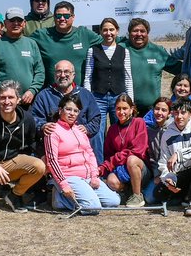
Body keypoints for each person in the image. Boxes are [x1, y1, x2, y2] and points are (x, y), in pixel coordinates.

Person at [0, 80, 46, 214]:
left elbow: (33, 142)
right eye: (3, 97)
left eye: (11, 97)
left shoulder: (27, 118)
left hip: (12, 162)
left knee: (40, 166)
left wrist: (43, 156)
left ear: (18, 99)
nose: (7, 102)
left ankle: (15, 195)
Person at [44, 91, 120, 214]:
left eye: (75, 111)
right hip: (69, 176)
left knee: (114, 201)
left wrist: (95, 176)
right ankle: (59, 199)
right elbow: (52, 160)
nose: (72, 113)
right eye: (68, 109)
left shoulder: (80, 130)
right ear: (60, 110)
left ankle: (84, 196)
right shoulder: (53, 131)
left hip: (88, 177)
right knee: (93, 207)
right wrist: (64, 185)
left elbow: (90, 154)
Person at [83, 17, 132, 163]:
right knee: (97, 132)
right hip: (98, 97)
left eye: (111, 29)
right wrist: (88, 100)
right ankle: (98, 165)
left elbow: (129, 78)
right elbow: (88, 77)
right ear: (100, 32)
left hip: (119, 97)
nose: (108, 33)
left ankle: (120, 163)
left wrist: (131, 102)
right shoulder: (93, 51)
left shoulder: (124, 52)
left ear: (117, 31)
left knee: (121, 132)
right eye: (105, 30)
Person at [31, 60, 103, 151]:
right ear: (54, 75)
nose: (62, 75)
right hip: (54, 147)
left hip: (81, 147)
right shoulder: (44, 96)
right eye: (59, 71)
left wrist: (87, 128)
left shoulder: (85, 94)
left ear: (73, 75)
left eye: (66, 72)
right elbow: (34, 118)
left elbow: (96, 118)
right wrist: (42, 126)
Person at [155, 98, 191, 216]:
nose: (179, 116)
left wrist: (178, 154)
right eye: (176, 113)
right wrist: (168, 179)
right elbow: (163, 161)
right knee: (157, 194)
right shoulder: (167, 133)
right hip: (180, 174)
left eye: (183, 113)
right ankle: (185, 195)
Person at [0, 7, 44, 107]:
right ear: (5, 23)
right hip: (2, 101)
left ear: (24, 23)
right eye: (12, 20)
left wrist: (32, 90)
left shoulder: (31, 44)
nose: (16, 23)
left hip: (26, 101)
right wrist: (3, 92)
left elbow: (40, 72)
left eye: (19, 20)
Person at [32, 1, 102, 89]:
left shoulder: (84, 34)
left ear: (73, 17)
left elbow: (110, 42)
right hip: (52, 94)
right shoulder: (42, 35)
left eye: (66, 16)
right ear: (54, 17)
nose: (62, 18)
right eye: (58, 16)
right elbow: (23, 43)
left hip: (79, 93)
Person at [99, 93, 150, 208]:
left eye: (125, 108)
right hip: (121, 169)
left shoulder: (139, 122)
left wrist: (116, 158)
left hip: (141, 168)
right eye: (118, 109)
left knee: (131, 160)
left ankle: (137, 195)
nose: (121, 112)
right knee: (111, 180)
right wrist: (103, 168)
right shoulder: (112, 129)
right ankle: (128, 192)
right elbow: (108, 155)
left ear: (132, 109)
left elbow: (138, 150)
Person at [125, 17, 174, 114]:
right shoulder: (121, 49)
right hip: (127, 109)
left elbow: (180, 68)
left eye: (142, 31)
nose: (139, 34)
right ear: (129, 33)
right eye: (135, 31)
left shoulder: (157, 51)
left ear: (147, 33)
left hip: (151, 110)